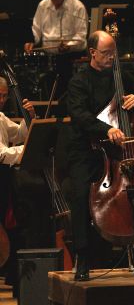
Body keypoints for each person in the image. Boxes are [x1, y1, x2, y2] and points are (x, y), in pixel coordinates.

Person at [66, 30, 134, 281]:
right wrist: (107, 129)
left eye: (114, 53)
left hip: (119, 153)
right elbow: (80, 116)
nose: (112, 58)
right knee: (79, 197)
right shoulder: (79, 82)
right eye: (107, 53)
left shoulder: (122, 76)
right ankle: (83, 256)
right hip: (86, 150)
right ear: (92, 53)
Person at [0, 77, 35, 296]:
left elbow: (19, 134)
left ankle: (12, 274)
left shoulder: (0, 117)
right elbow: (1, 154)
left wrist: (28, 117)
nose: (2, 100)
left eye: (4, 96)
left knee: (10, 224)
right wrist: (25, 151)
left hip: (3, 179)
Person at [24, 0, 88, 54]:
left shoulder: (77, 7)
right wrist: (31, 41)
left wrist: (69, 45)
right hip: (48, 56)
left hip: (72, 57)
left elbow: (81, 37)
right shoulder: (42, 6)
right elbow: (36, 30)